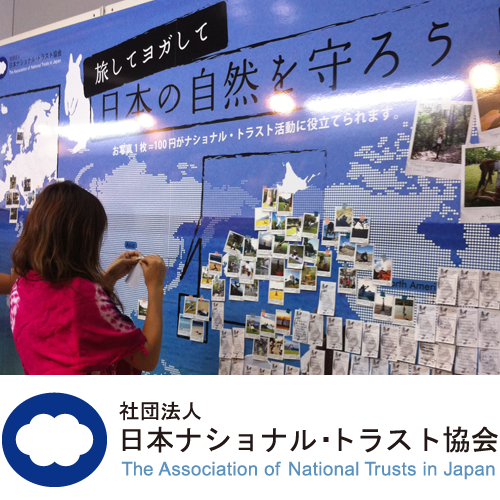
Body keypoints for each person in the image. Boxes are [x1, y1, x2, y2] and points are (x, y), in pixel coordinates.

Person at [9, 181, 166, 375]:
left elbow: (73, 331)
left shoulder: (19, 288)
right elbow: (147, 357)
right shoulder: (84, 297)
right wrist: (155, 287)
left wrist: (109, 278)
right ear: (81, 241)